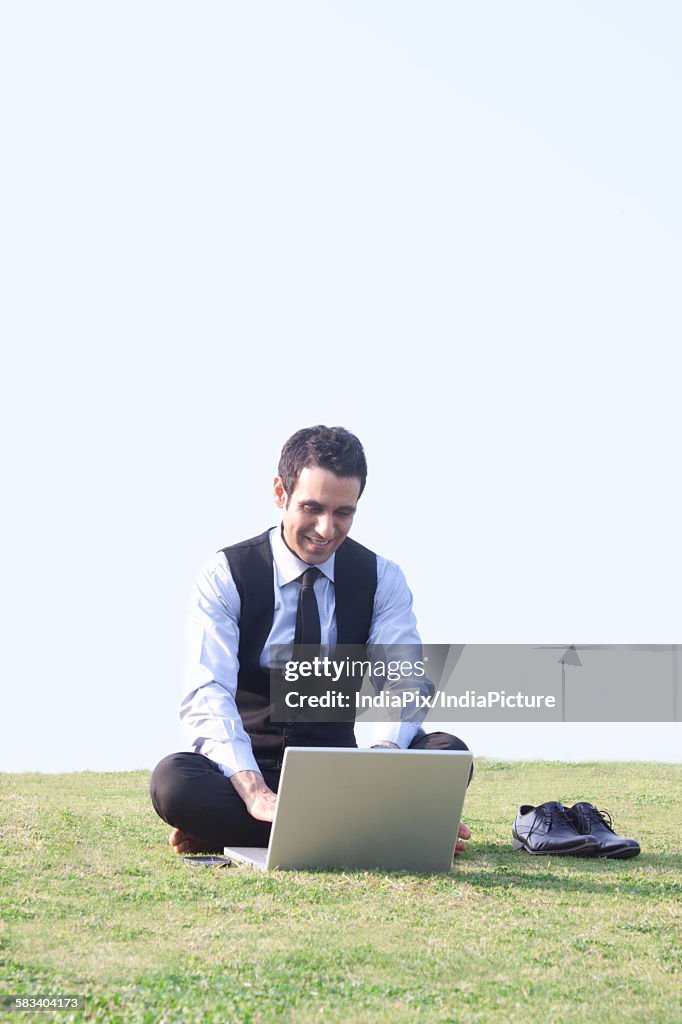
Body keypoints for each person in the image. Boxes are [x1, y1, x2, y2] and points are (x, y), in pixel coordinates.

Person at [150, 425, 472, 856]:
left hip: (342, 776)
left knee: (448, 753)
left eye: (344, 512)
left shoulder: (382, 578)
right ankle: (384, 832)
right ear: (280, 493)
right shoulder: (226, 573)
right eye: (312, 507)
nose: (326, 529)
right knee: (174, 783)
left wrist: (382, 760)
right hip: (250, 767)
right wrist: (252, 790)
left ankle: (236, 833)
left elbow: (405, 681)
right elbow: (208, 691)